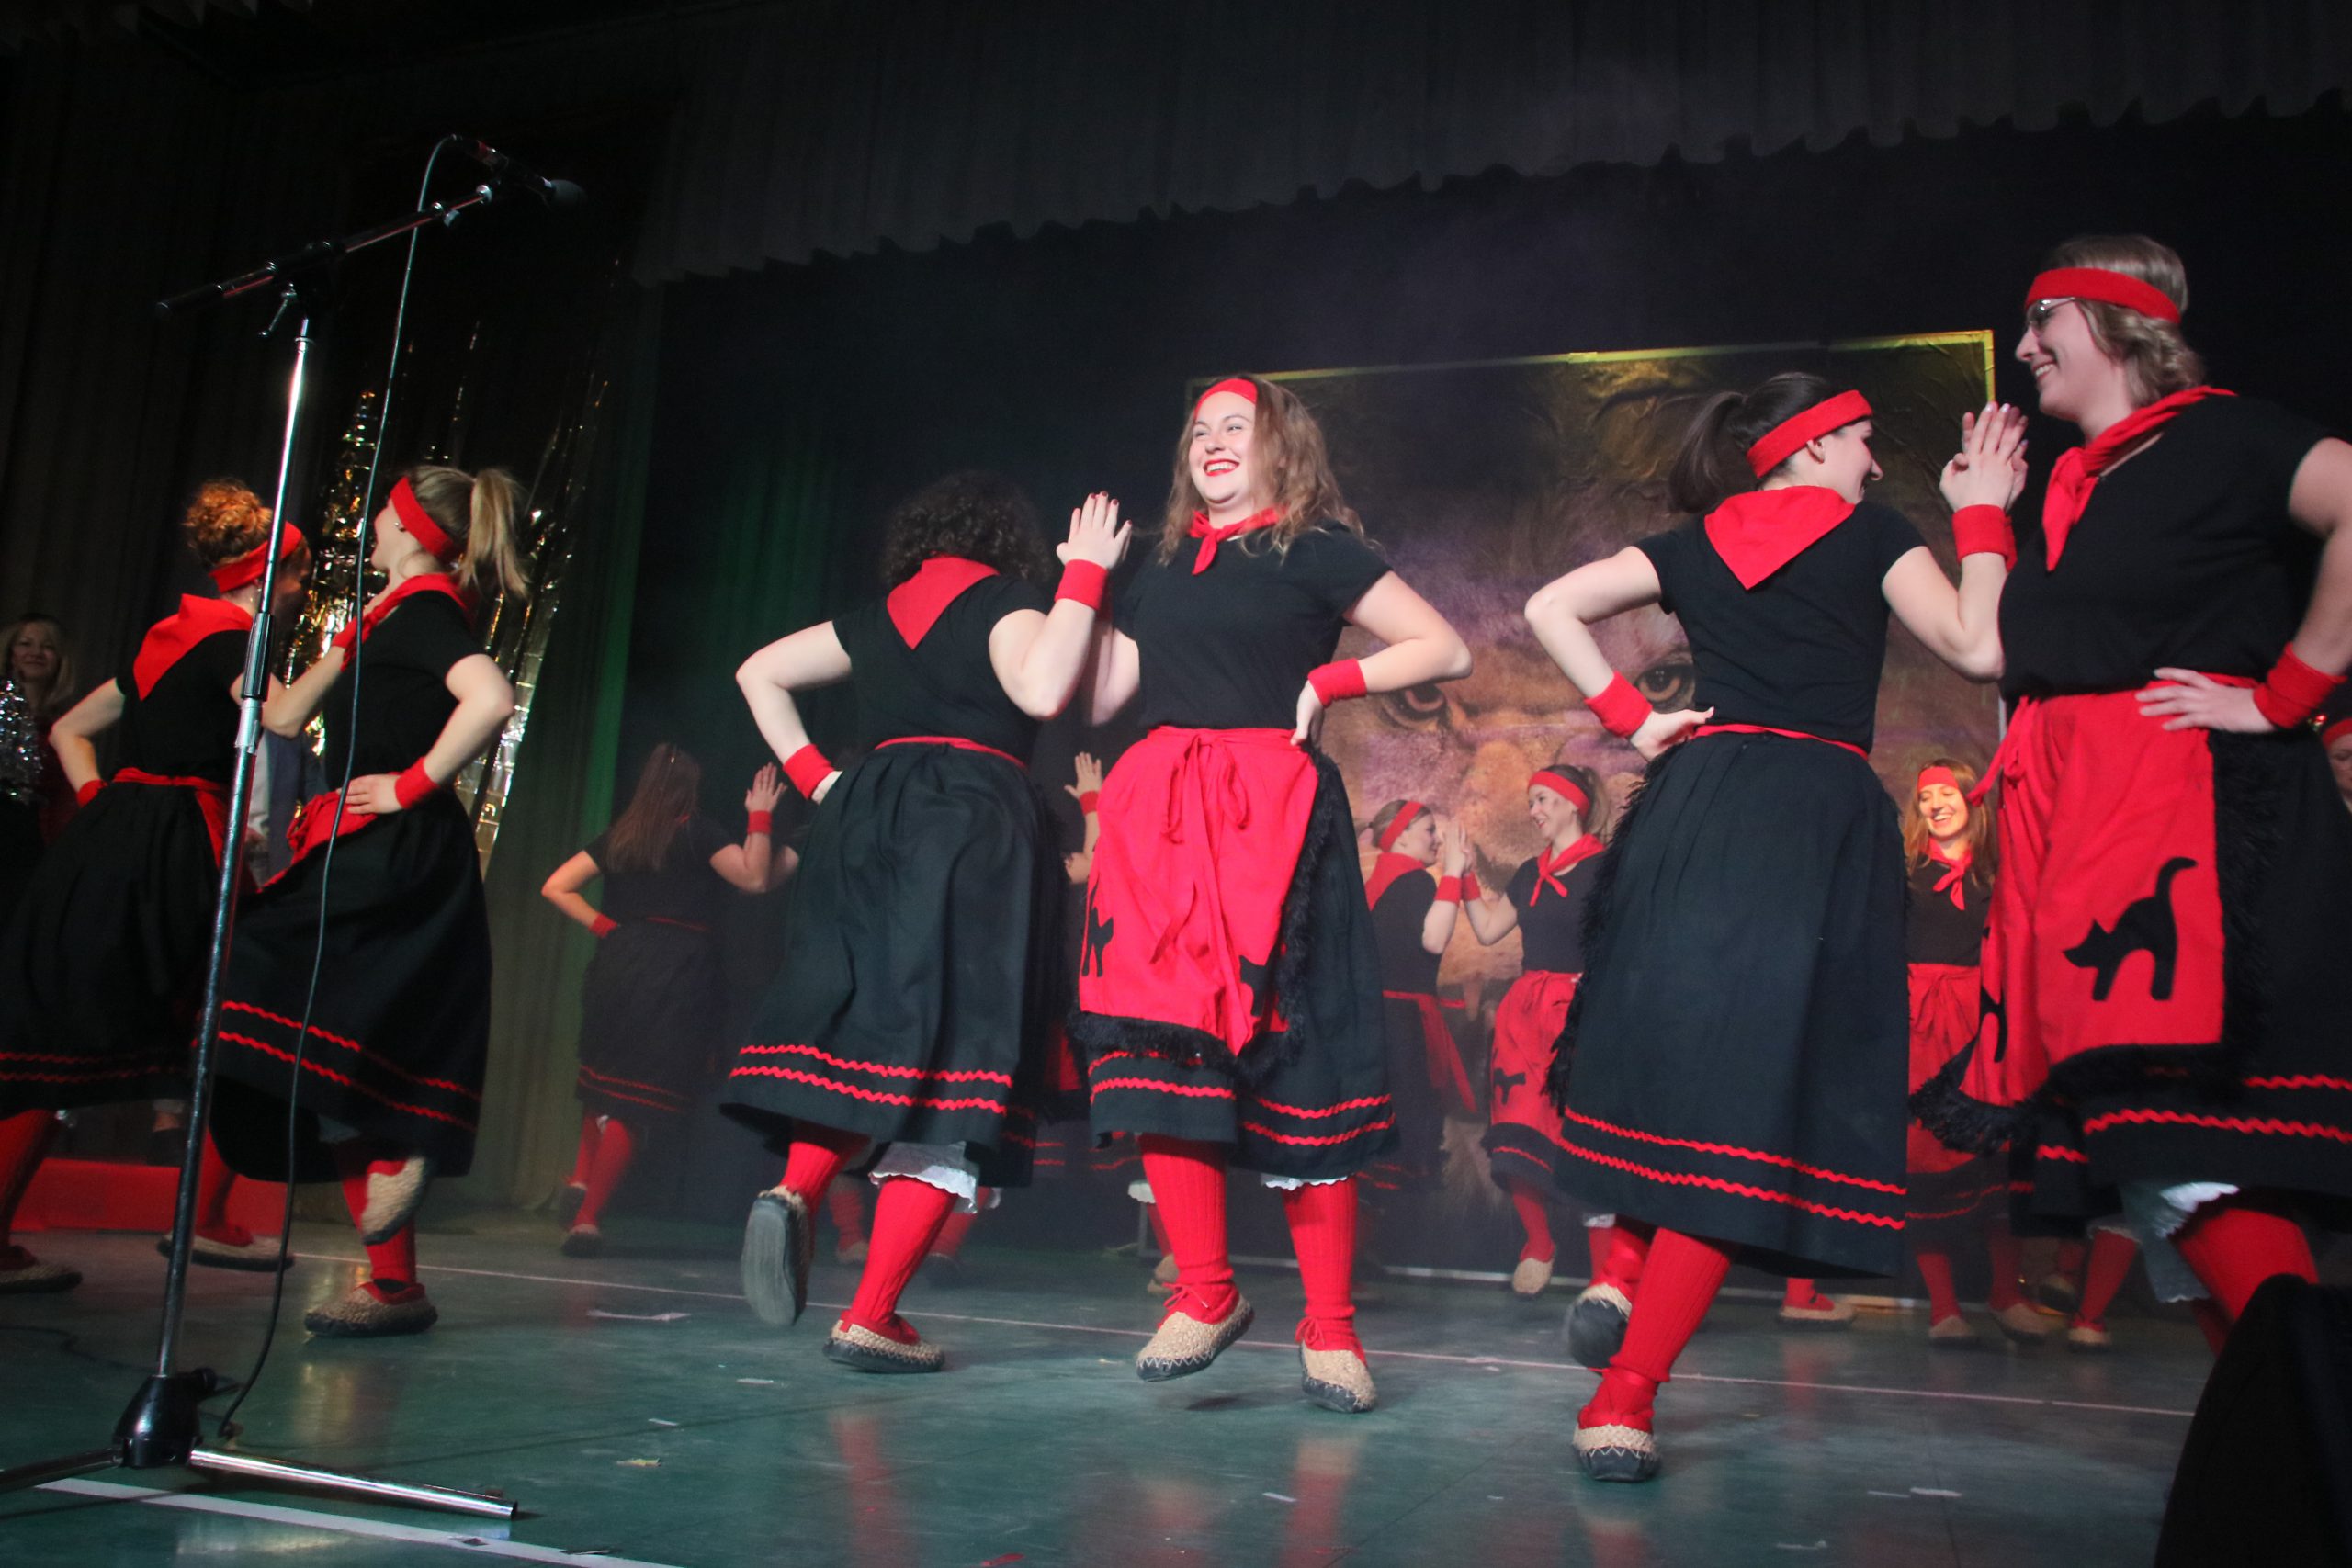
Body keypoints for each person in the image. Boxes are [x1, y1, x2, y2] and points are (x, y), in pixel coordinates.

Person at [1525, 373, 2027, 1480]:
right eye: (1860, 438)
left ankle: (1621, 1266)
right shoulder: (1874, 534)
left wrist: (1633, 721)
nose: (1872, 461)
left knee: (1679, 1057)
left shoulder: (1693, 543)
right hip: (1806, 818)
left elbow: (1547, 606)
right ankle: (1623, 1396)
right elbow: (1979, 645)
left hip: (1697, 805)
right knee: (1747, 1106)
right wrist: (1983, 512)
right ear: (1808, 445)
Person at [1916, 235, 2352, 1345]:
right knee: (2158, 1174)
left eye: (2042, 320)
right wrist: (1983, 513)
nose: (2023, 348)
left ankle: (2304, 1417)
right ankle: (2277, 1428)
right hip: (2093, 832)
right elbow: (2000, 651)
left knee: (2184, 1146)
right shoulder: (2080, 485)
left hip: (2187, 830)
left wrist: (2287, 695)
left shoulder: (2223, 436)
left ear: (2113, 323)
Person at [1071, 375, 1472, 1415]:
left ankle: (1329, 1326)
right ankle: (1203, 1291)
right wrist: (1084, 580)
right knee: (1161, 1045)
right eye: (1198, 429)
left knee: (1304, 1058)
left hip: (1271, 818)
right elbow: (1101, 693)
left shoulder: (1316, 549)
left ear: (1279, 445)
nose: (1211, 442)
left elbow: (1445, 645)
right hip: (1161, 820)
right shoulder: (1160, 565)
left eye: (1235, 428)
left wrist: (1329, 683)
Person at [721, 472, 1126, 1372]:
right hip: (970, 822)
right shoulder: (1008, 603)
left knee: (869, 1028)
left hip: (866, 815)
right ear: (1005, 542)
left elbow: (758, 671)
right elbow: (1043, 689)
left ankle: (795, 1188)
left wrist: (817, 777)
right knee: (960, 1061)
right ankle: (870, 1314)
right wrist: (1085, 573)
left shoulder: (876, 616)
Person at [206, 464, 528, 1337]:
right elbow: (282, 718)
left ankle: (406, 1159)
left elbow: (492, 698)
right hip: (367, 845)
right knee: (337, 1055)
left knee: (273, 983)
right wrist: (239, 638)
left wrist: (412, 784)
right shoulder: (382, 619)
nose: (372, 523)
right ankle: (393, 1284)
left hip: (393, 850)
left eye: (385, 512)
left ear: (415, 532)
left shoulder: (425, 613)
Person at [0, 482, 310, 1289]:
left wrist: (104, 800)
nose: (303, 592)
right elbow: (281, 719)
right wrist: (348, 653)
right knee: (244, 1014)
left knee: (60, 1032)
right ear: (265, 575)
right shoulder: (240, 637)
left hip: (116, 836)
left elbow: (70, 730)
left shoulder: (164, 636)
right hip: (178, 845)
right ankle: (203, 1215)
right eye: (300, 576)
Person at [542, 747, 792, 1255]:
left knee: (605, 1081)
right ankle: (587, 1219)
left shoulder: (623, 836)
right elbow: (754, 877)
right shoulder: (697, 832)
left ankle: (581, 1178)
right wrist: (760, 815)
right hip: (677, 972)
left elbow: (556, 886)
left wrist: (607, 928)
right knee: (638, 1096)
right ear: (689, 790)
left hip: (619, 962)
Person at [1894, 759, 2047, 1346]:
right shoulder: (1905, 874)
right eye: (1925, 795)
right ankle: (1944, 1308)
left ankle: (2006, 1293)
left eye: (1946, 792)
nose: (1935, 803)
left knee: (1997, 1155)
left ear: (1971, 800)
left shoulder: (2000, 871)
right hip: (1923, 1027)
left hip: (1986, 1024)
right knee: (1925, 1157)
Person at [1454, 765, 1609, 1303]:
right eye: (1532, 801)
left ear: (1573, 804)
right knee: (1515, 1126)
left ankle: (1606, 1281)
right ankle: (1539, 1242)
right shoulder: (1528, 873)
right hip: (1524, 1016)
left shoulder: (1607, 869)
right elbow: (1487, 929)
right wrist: (1465, 876)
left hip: (1580, 1014)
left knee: (1588, 1141)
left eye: (1542, 799)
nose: (1534, 810)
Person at [1361, 798, 1476, 1196]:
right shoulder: (1414, 881)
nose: (1436, 840)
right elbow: (1434, 940)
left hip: (1377, 1020)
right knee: (1410, 1134)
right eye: (1429, 831)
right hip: (1404, 1028)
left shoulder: (1377, 883)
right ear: (1402, 836)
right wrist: (1454, 872)